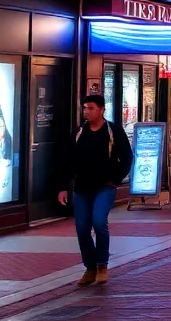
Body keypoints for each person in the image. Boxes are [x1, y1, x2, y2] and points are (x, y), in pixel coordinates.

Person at [56, 94, 133, 286]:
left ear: (101, 109)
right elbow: (68, 161)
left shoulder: (113, 131)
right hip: (81, 188)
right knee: (82, 229)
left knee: (99, 222)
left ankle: (102, 266)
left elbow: (127, 157)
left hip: (104, 187)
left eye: (90, 108)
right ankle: (89, 267)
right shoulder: (79, 132)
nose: (86, 112)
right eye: (84, 108)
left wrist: (115, 179)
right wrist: (63, 187)